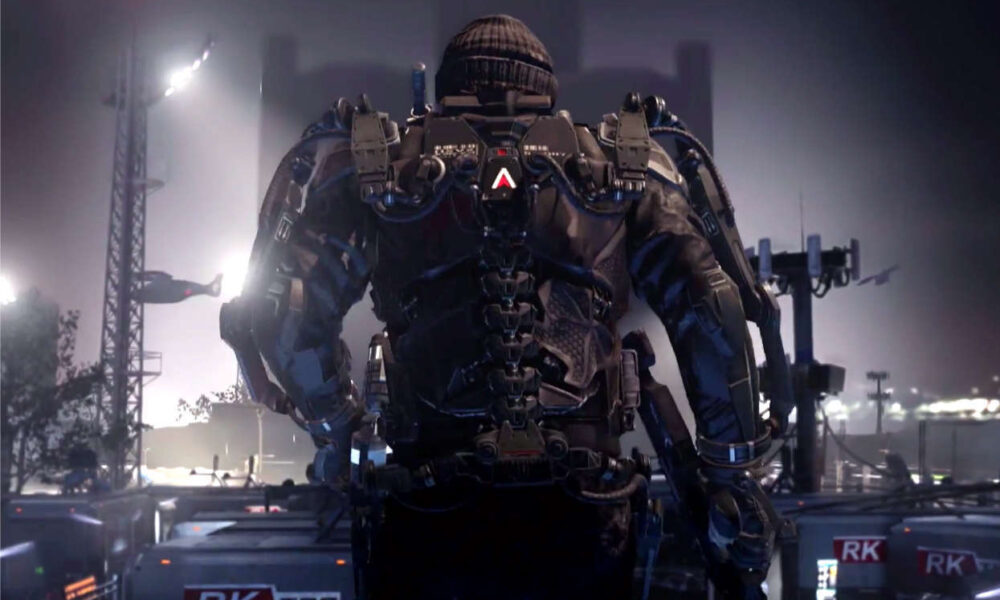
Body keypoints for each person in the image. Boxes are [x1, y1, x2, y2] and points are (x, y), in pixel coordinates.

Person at [222, 14, 777, 599]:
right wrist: (729, 470)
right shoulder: (620, 165)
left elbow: (290, 314)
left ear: (447, 86)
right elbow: (711, 308)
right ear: (545, 86)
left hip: (427, 512)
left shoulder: (381, 166)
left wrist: (339, 429)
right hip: (585, 513)